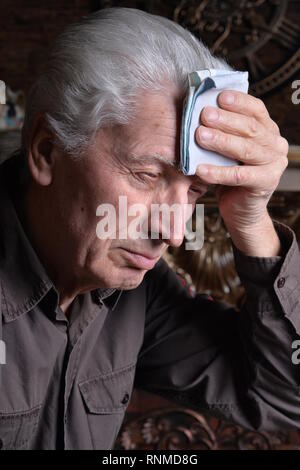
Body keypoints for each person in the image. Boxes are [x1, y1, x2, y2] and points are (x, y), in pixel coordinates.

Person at [0, 7, 299, 450]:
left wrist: (252, 223)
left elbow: (282, 396)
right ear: (48, 150)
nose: (173, 232)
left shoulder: (135, 294)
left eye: (195, 190)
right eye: (145, 175)